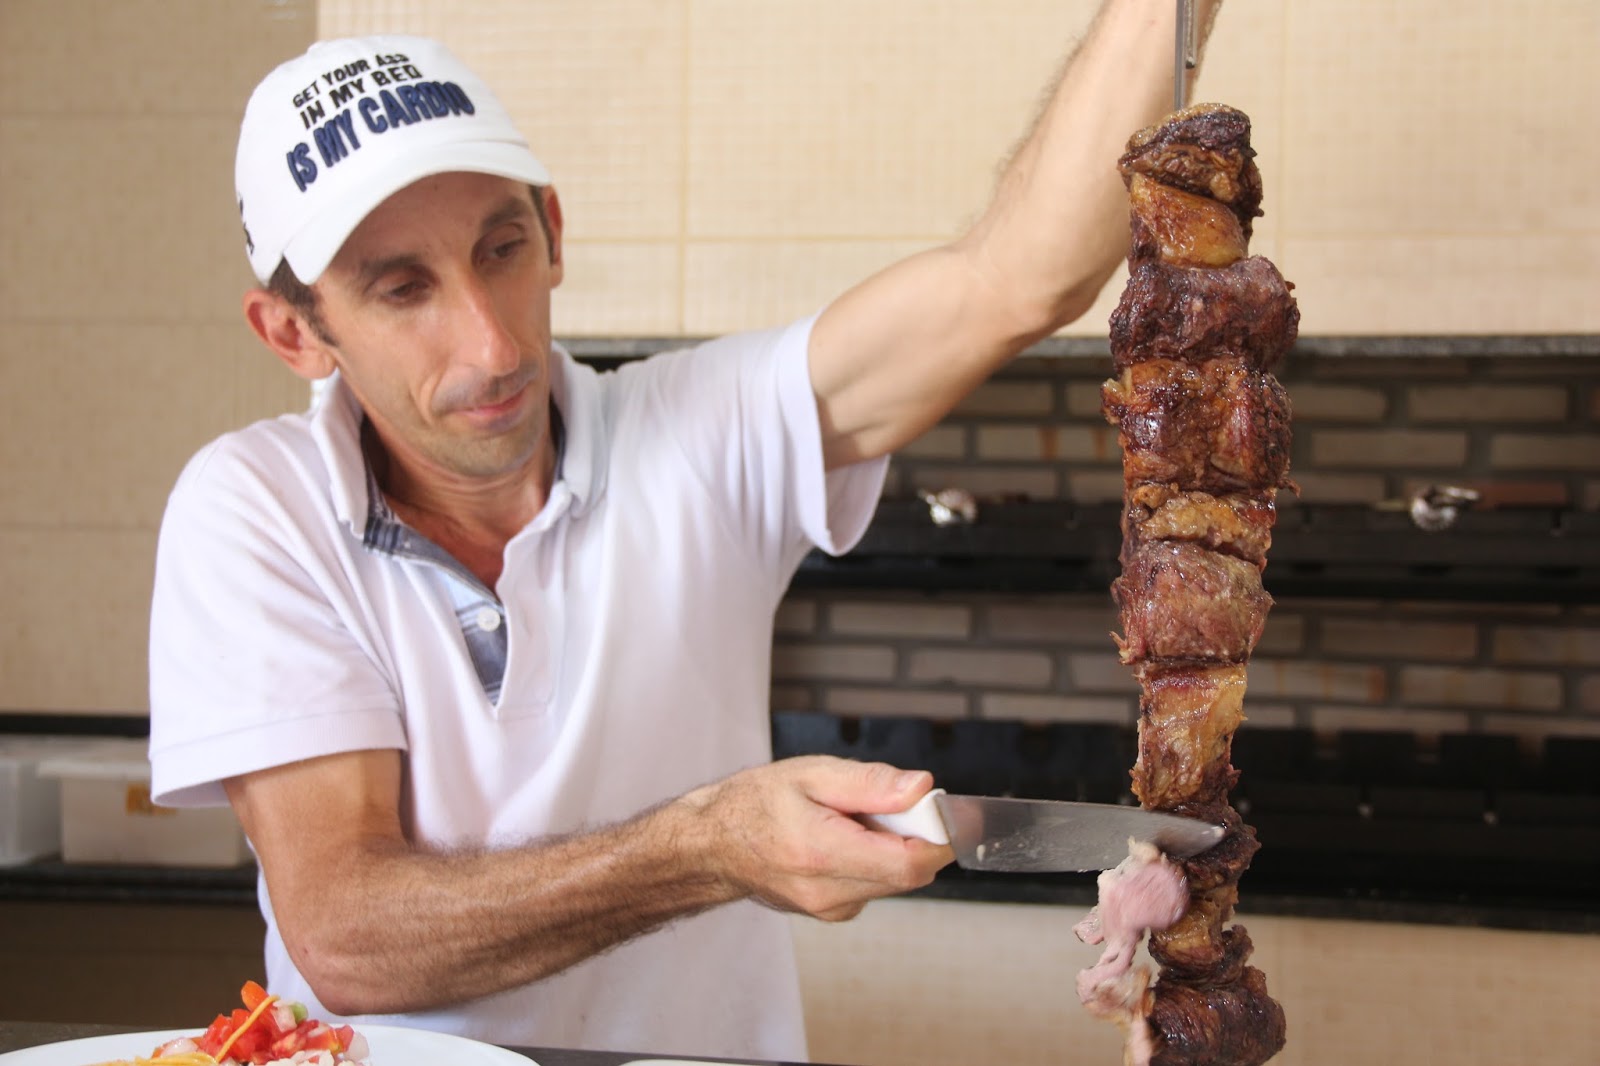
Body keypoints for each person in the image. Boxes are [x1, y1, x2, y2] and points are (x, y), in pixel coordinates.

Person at [148, 1, 1220, 1060]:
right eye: (402, 289)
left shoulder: (701, 431)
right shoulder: (259, 508)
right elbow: (347, 935)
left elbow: (1015, 275)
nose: (490, 344)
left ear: (553, 230)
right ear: (294, 333)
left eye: (501, 247)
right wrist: (710, 847)